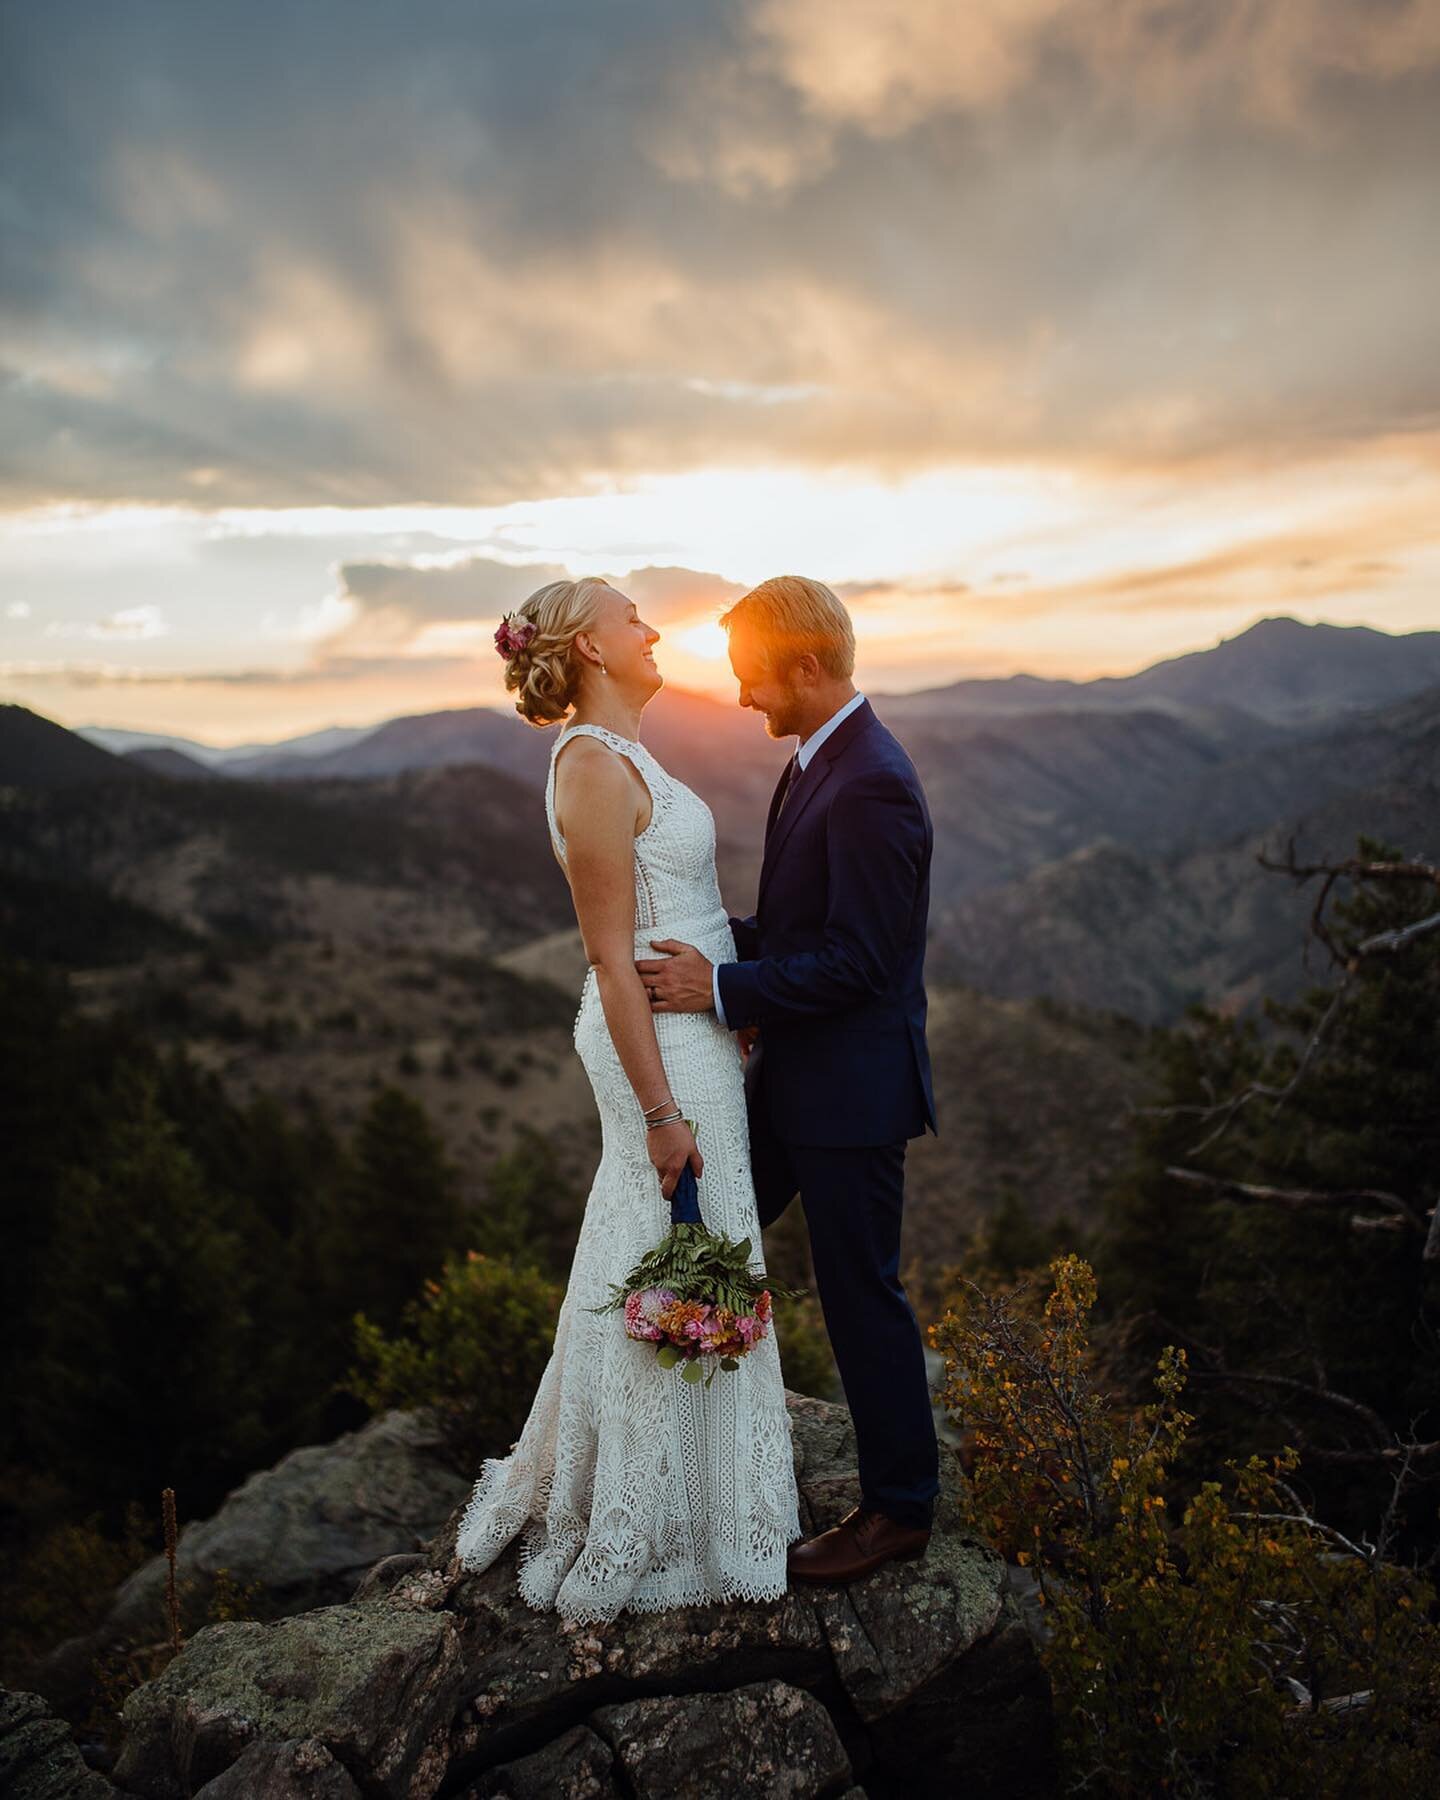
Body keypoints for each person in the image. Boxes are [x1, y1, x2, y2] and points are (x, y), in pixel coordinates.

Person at [450, 575, 801, 1621]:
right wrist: (660, 1112)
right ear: (594, 651)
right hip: (654, 1048)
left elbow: (676, 905)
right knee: (674, 1242)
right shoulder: (590, 767)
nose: (653, 630)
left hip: (693, 1031)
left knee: (673, 1247)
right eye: (632, 619)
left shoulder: (630, 754)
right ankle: (645, 1518)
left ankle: (698, 1489)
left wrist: (728, 989)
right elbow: (609, 958)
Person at [638, 575, 940, 1582]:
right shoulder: (815, 762)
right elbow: (806, 930)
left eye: (753, 678)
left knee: (862, 1298)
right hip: (798, 1079)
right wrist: (710, 952)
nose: (741, 699)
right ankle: (677, 1456)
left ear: (807, 668)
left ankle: (900, 1510)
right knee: (703, 1233)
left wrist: (722, 985)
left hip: (852, 1093)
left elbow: (862, 961)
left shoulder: (873, 782)